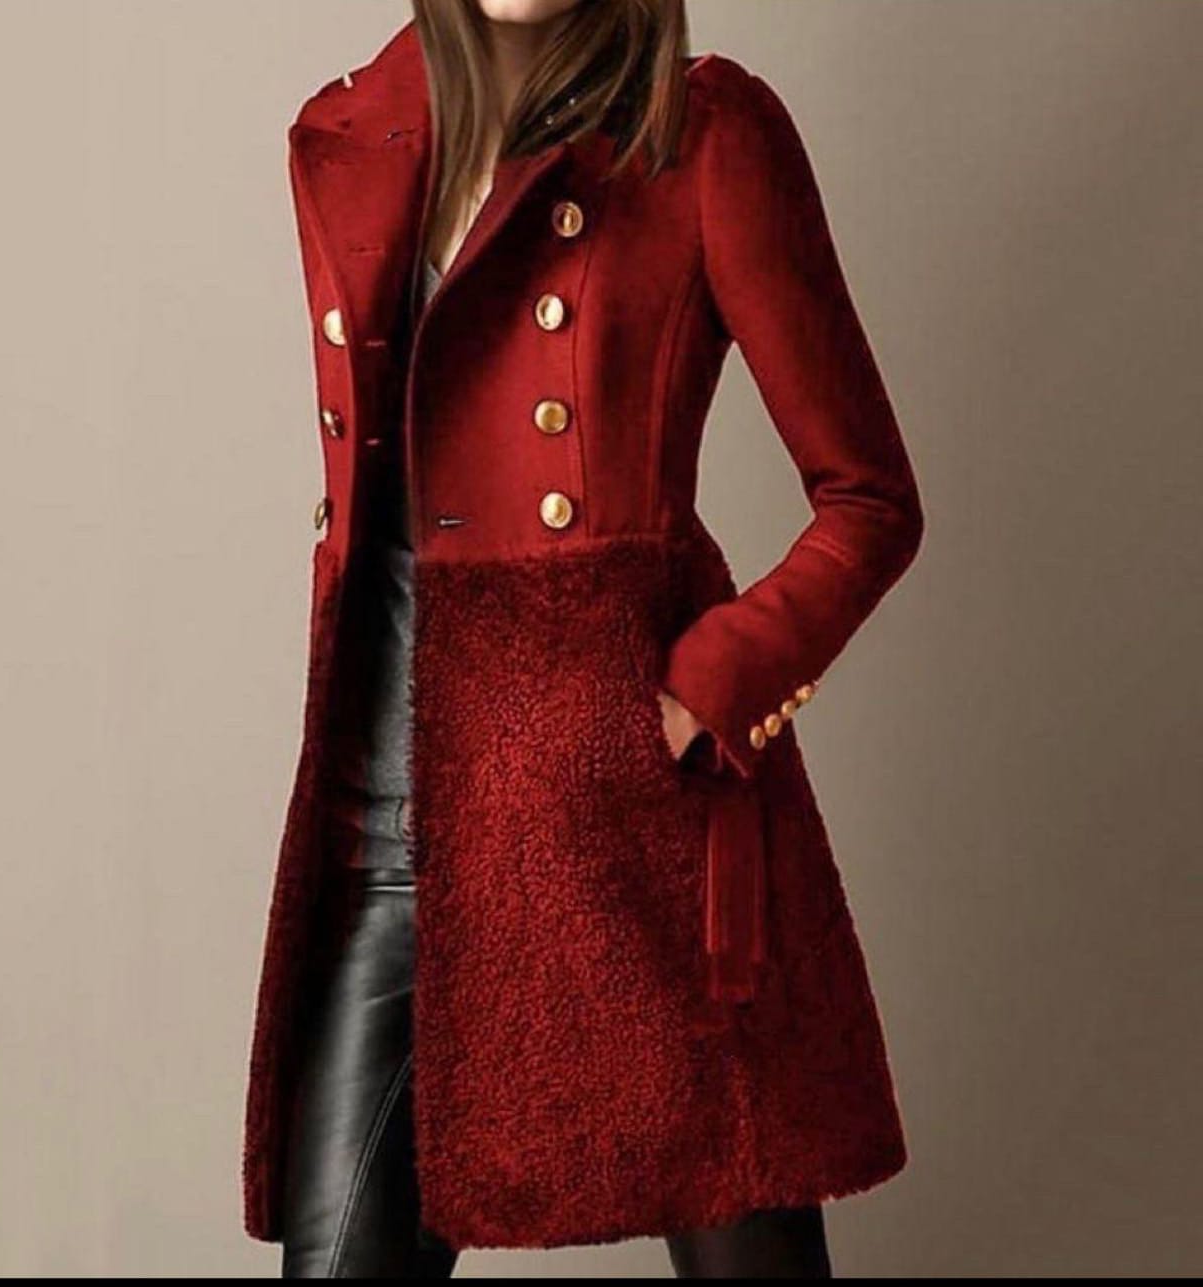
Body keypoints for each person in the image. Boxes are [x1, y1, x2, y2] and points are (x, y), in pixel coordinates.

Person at [245, 0, 924, 1277]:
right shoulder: (351, 136)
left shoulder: (699, 133)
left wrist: (704, 689)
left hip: (626, 828)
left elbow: (869, 500)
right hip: (385, 840)